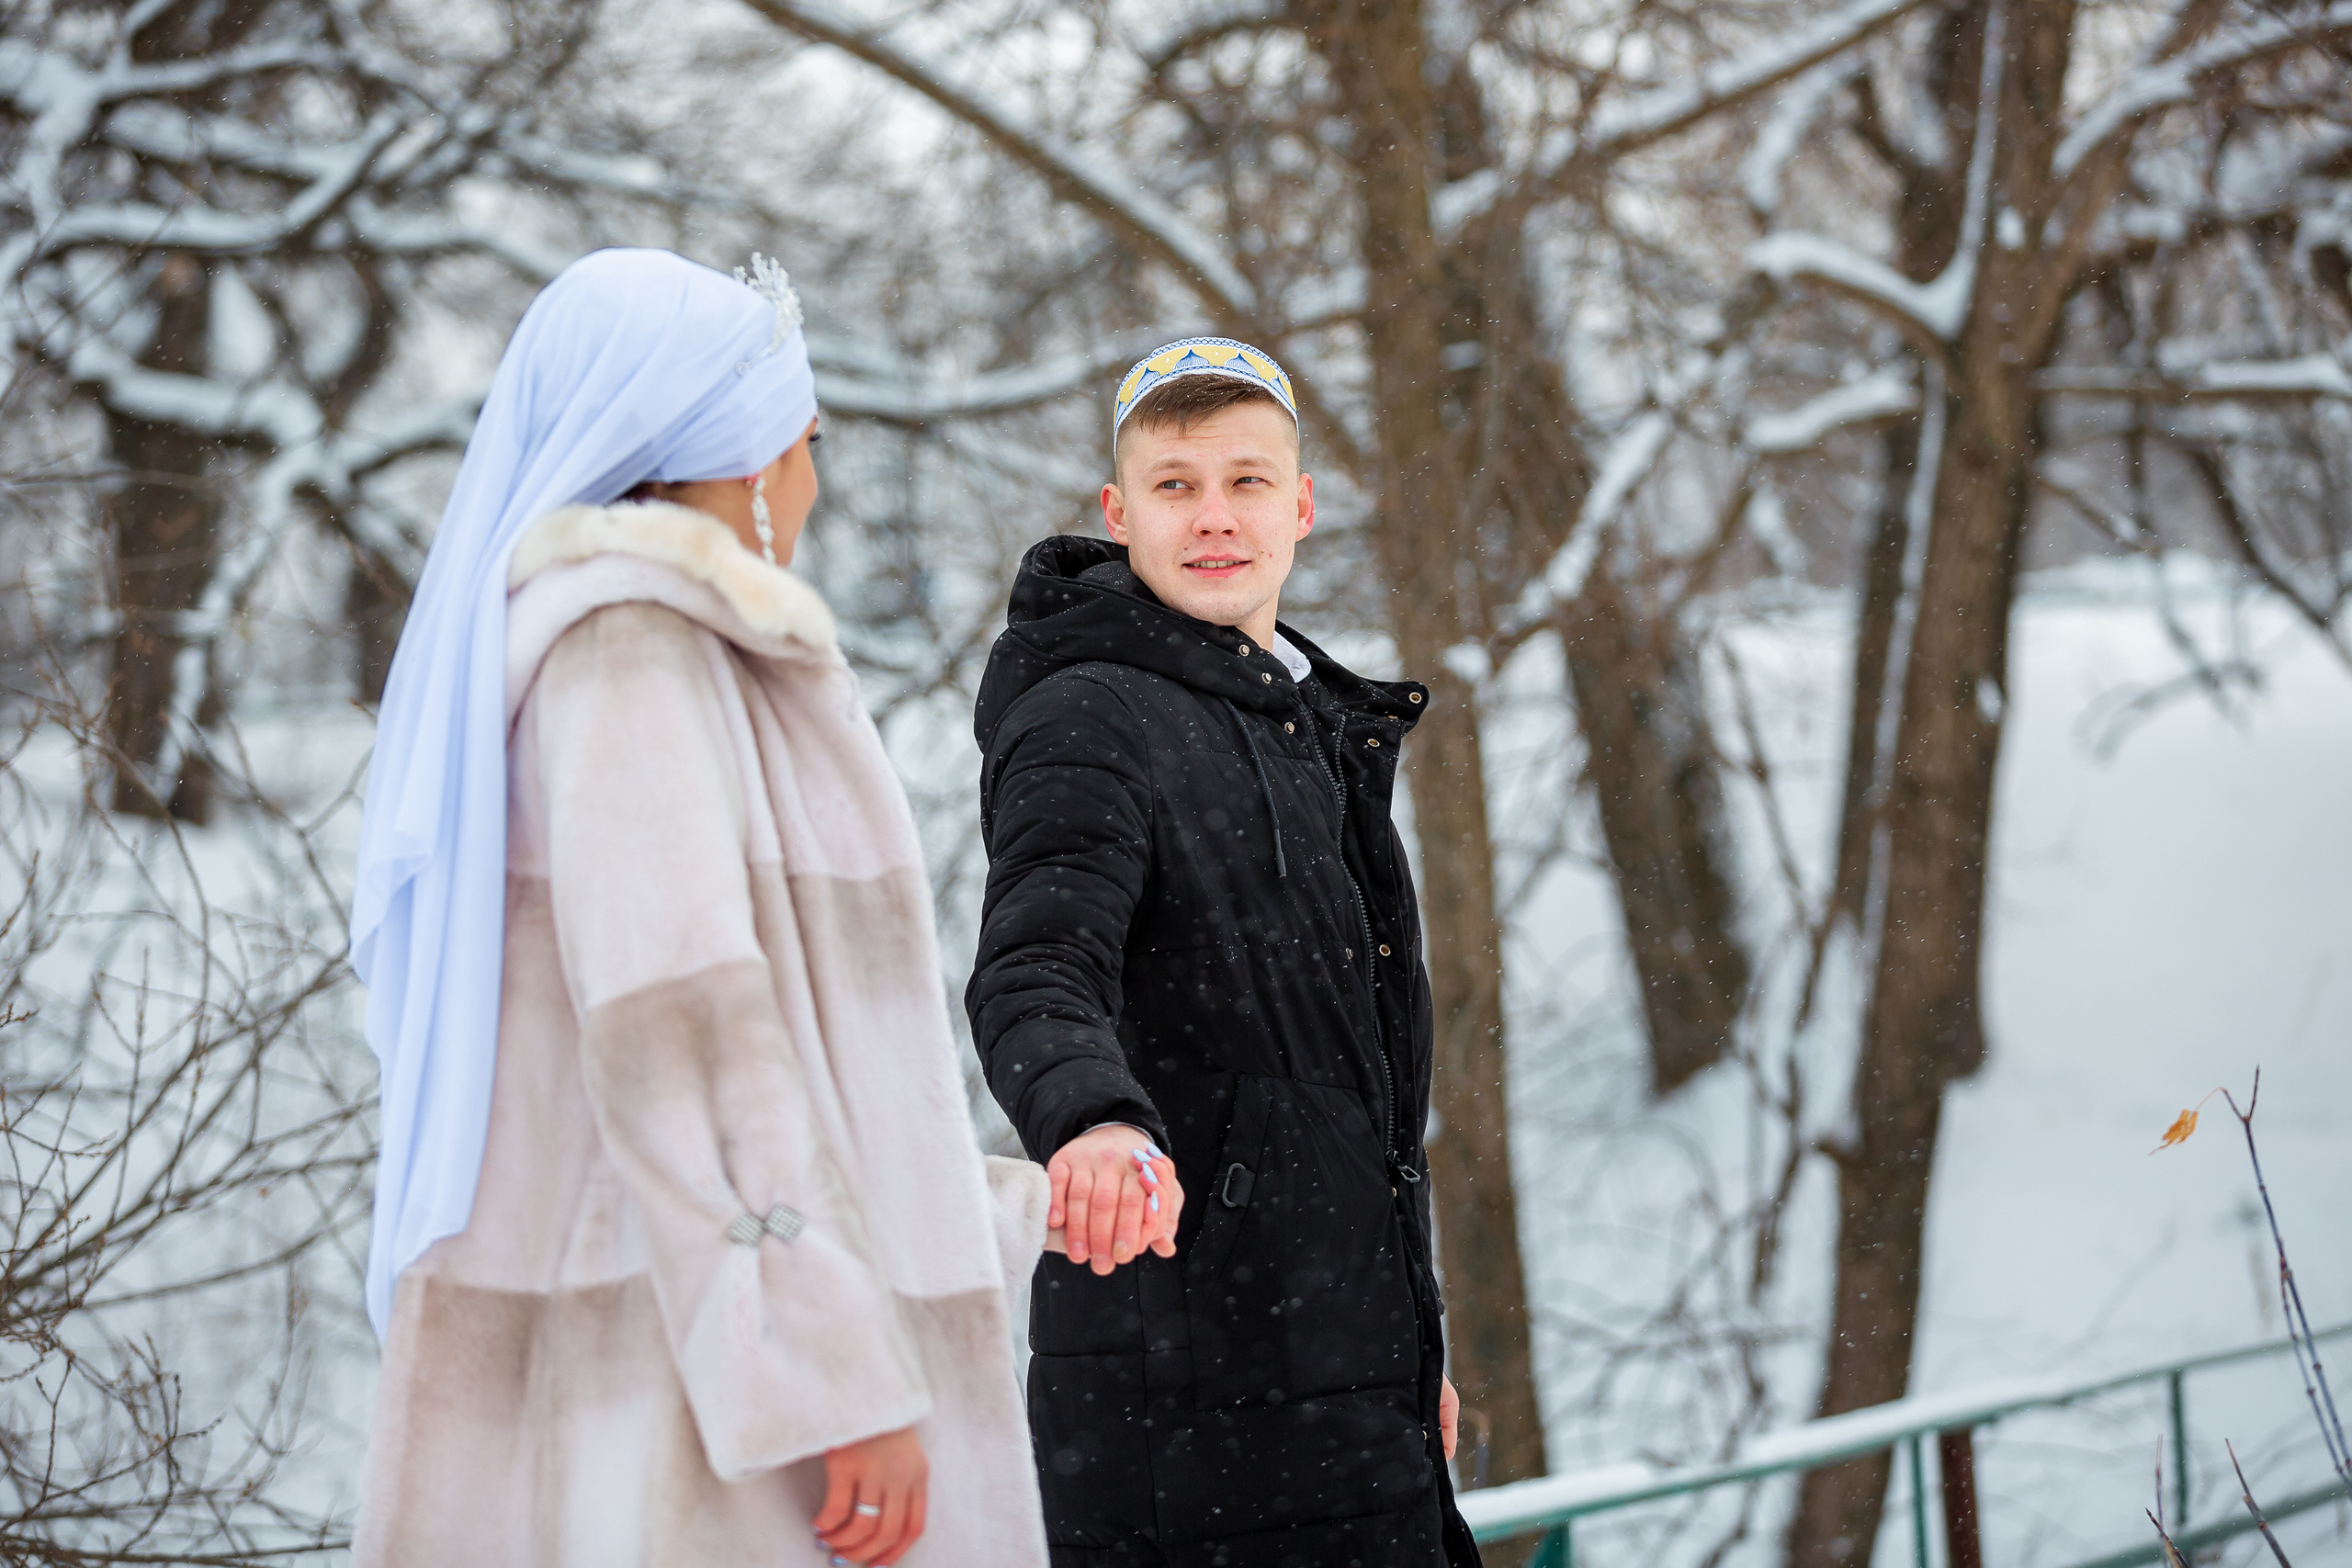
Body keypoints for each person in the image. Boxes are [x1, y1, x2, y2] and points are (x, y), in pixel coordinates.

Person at [349, 249, 1050, 1568]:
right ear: (740, 453)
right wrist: (835, 1380)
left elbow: (755, 1078)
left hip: (681, 1349)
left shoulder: (662, 656)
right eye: (805, 440)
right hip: (688, 1417)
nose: (812, 483)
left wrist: (1017, 1217)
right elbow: (684, 1039)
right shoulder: (632, 650)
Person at [966, 337, 1481, 1567]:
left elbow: (1348, 1105)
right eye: (1175, 485)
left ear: (1300, 506)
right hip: (1190, 1397)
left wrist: (1413, 1344)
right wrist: (1092, 1119)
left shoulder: (1309, 726)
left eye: (1247, 481)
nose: (1214, 517)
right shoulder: (1090, 715)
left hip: (1344, 1380)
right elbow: (1036, 964)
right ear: (1118, 513)